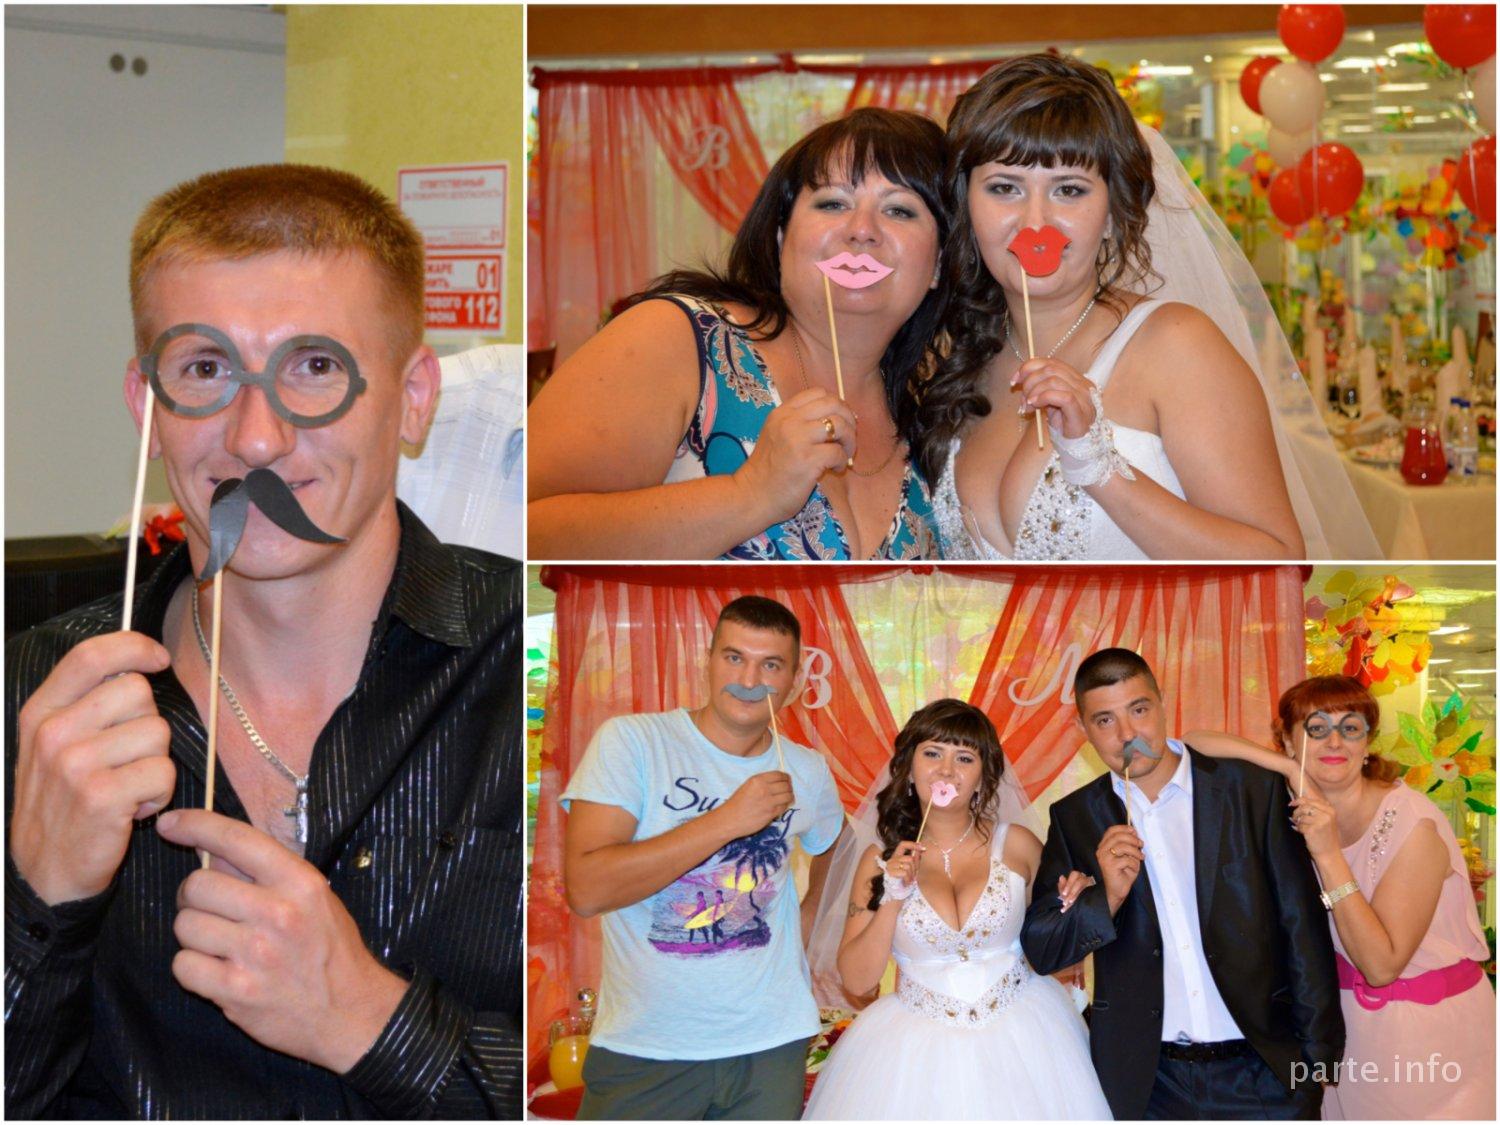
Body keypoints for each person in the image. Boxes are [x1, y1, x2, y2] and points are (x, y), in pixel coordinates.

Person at [5, 166, 522, 1118]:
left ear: (413, 397)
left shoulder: (532, 664)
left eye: (314, 366)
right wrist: (35, 901)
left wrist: (368, 1021)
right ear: (148, 403)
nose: (255, 439)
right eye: (205, 369)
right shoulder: (31, 700)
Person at [917, 53, 1379, 560]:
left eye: (1069, 190)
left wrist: (1098, 467)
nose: (1035, 222)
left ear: (1112, 215)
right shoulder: (963, 360)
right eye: (1004, 188)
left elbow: (1277, 561)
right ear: (968, 205)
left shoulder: (1176, 344)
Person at [529, 108, 948, 560]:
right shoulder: (681, 337)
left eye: (899, 210)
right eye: (832, 203)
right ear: (781, 237)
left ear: (939, 264)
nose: (862, 230)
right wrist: (750, 493)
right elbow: (525, 530)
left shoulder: (936, 417)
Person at [1021, 648, 1344, 1119]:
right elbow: (1044, 949)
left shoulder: (1249, 789)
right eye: (1105, 720)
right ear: (1082, 729)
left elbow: (1302, 925)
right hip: (1150, 1083)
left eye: (1139, 709)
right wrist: (1107, 896)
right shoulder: (1076, 817)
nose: (1128, 734)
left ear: (1162, 702)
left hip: (1264, 1070)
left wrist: (1315, 1064)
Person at [560, 596, 845, 1119]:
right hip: (647, 1046)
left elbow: (837, 844)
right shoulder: (633, 742)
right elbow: (586, 890)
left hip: (772, 1044)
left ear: (794, 680)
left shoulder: (807, 769)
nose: (749, 679)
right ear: (707, 660)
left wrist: (810, 915)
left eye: (771, 665)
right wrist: (729, 819)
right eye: (734, 657)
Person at [1186, 676, 1495, 1120]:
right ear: (1287, 740)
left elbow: (1381, 965)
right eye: (1316, 728)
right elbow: (1192, 742)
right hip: (1340, 1026)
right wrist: (1289, 769)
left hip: (1426, 1031)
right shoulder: (1294, 800)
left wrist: (1328, 853)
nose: (1334, 741)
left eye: (1350, 728)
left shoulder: (1414, 825)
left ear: (1367, 742)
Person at [802, 699, 1111, 1120]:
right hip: (913, 1055)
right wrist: (892, 897)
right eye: (932, 753)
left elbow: (1053, 941)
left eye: (964, 758)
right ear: (909, 768)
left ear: (983, 777)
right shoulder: (878, 860)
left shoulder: (1018, 844)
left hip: (1029, 1040)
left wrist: (1078, 894)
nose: (946, 771)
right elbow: (858, 981)